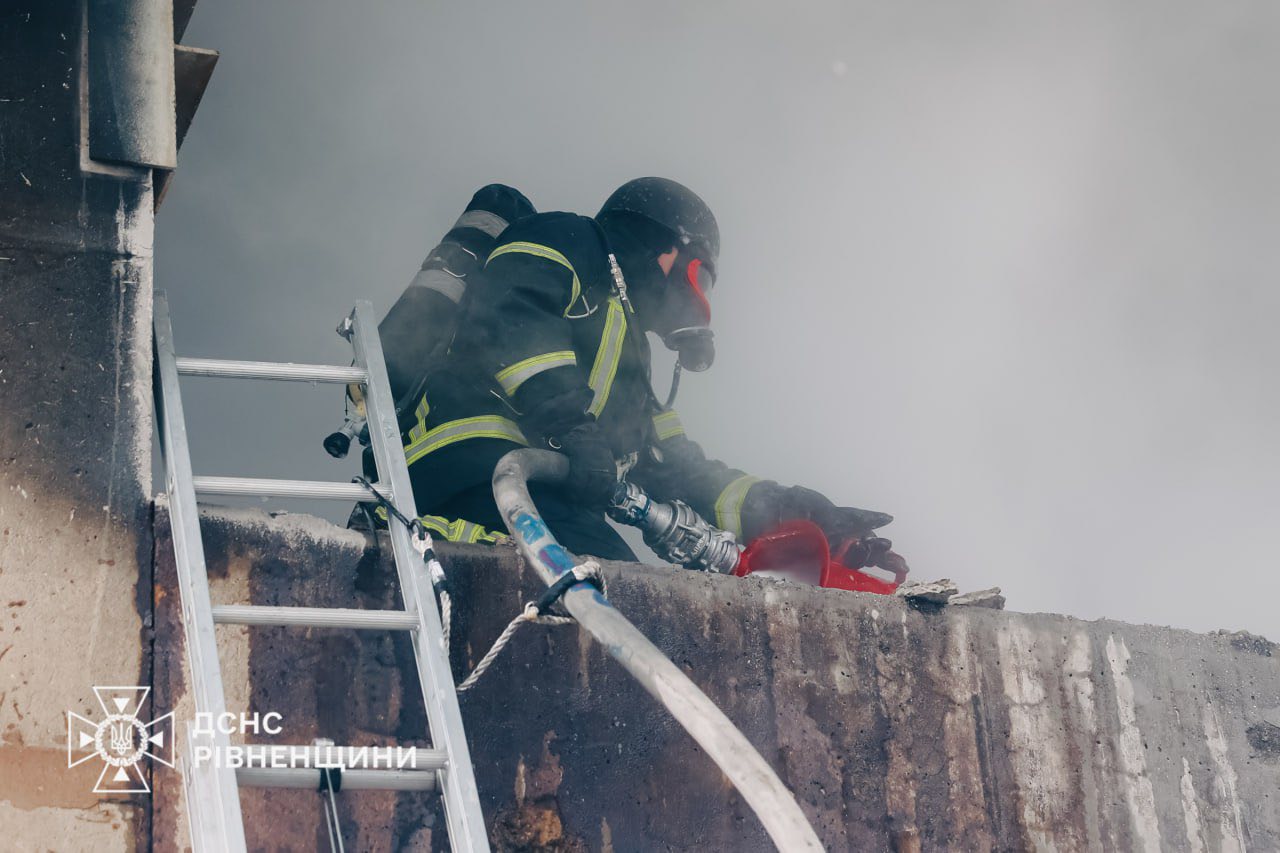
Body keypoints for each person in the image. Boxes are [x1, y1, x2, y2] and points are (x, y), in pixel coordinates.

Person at [395, 177, 905, 570]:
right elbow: (515, 311)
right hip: (467, 468)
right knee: (625, 594)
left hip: (537, 494)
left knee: (631, 590)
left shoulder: (630, 366)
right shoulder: (573, 238)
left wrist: (794, 512)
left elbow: (676, 471)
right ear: (668, 251)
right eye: (701, 279)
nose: (697, 303)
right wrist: (572, 426)